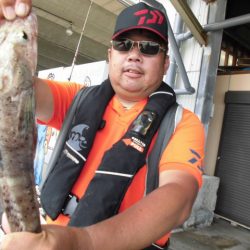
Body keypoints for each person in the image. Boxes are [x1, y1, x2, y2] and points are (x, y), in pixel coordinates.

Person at [0, 0, 205, 249]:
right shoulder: (76, 99)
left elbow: (179, 196)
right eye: (123, 45)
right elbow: (12, 86)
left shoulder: (182, 123)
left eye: (149, 48)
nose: (134, 55)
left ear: (165, 64)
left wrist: (84, 241)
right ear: (110, 55)